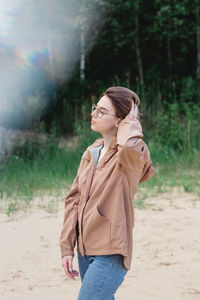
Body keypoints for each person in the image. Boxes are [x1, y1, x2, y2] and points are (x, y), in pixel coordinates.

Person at [60, 86, 157, 299]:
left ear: (120, 121)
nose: (93, 114)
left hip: (110, 252)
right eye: (96, 108)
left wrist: (131, 120)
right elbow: (73, 201)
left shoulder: (131, 156)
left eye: (102, 111)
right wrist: (67, 247)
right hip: (85, 251)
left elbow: (129, 147)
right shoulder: (91, 152)